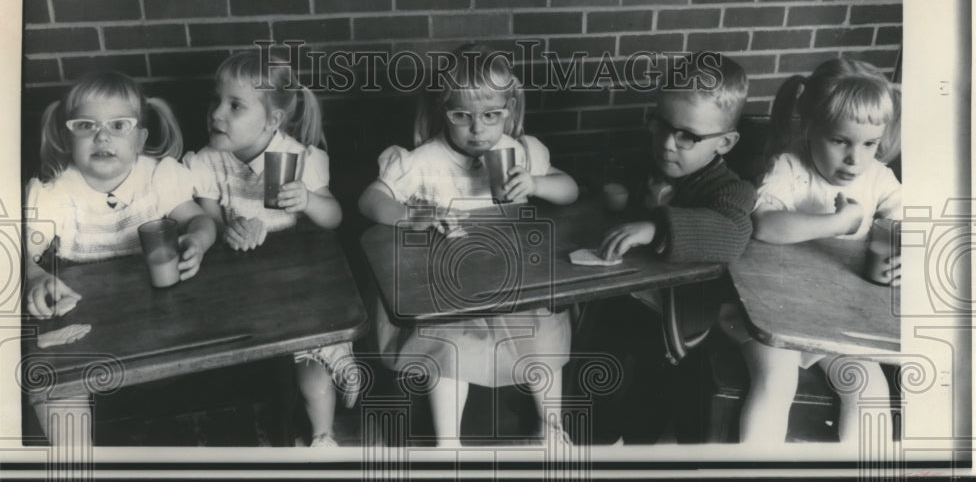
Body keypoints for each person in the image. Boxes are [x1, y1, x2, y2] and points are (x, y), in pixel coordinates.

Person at [358, 43, 579, 447]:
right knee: (450, 343)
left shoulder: (520, 152)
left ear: (510, 110)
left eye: (492, 116)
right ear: (441, 109)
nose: (478, 130)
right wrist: (411, 216)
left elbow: (570, 189)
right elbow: (370, 200)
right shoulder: (421, 162)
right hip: (448, 290)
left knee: (544, 326)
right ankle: (449, 445)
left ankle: (552, 427)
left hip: (510, 284)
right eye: (462, 116)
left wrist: (537, 184)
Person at [721, 57, 901, 447]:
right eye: (840, 141)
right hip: (768, 314)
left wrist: (908, 255)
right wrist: (840, 224)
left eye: (869, 143)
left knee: (869, 390)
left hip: (831, 324)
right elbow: (765, 225)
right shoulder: (789, 168)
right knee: (777, 382)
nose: (856, 159)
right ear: (810, 126)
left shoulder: (879, 179)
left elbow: (916, 227)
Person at [588, 53, 756, 444]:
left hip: (680, 323)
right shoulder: (641, 162)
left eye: (688, 136)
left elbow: (733, 233)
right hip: (622, 304)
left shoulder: (730, 189)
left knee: (658, 403)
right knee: (596, 381)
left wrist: (656, 225)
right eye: (661, 124)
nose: (667, 143)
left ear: (726, 142)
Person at [183, 51, 346, 448]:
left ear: (272, 120)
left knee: (311, 367)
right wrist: (230, 229)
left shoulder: (297, 159)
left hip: (294, 282)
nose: (217, 114)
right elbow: (209, 218)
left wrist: (307, 200)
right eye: (215, 101)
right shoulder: (208, 161)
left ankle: (323, 434)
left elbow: (335, 216)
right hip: (241, 283)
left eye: (235, 106)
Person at [25, 71, 215, 319]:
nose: (102, 136)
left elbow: (200, 220)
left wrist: (198, 241)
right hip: (89, 312)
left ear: (139, 140)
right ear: (66, 139)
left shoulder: (158, 178)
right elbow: (22, 252)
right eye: (85, 125)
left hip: (164, 307)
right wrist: (35, 275)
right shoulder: (56, 193)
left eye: (118, 125)